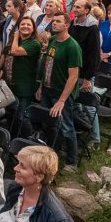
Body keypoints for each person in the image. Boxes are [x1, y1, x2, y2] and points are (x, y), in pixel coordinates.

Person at [36, 13, 82, 171]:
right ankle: (50, 154)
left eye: (58, 21)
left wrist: (62, 100)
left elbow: (73, 77)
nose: (54, 24)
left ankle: (72, 161)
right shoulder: (53, 41)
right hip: (48, 90)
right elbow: (47, 65)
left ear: (67, 25)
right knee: (48, 124)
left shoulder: (72, 46)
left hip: (61, 95)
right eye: (53, 21)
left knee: (66, 127)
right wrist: (41, 86)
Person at [6, 16, 41, 133]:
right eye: (22, 24)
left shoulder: (34, 44)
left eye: (28, 25)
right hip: (12, 85)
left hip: (25, 87)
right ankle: (13, 140)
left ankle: (29, 139)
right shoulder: (17, 42)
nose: (25, 26)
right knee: (12, 115)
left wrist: (15, 36)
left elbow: (14, 52)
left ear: (33, 28)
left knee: (22, 117)